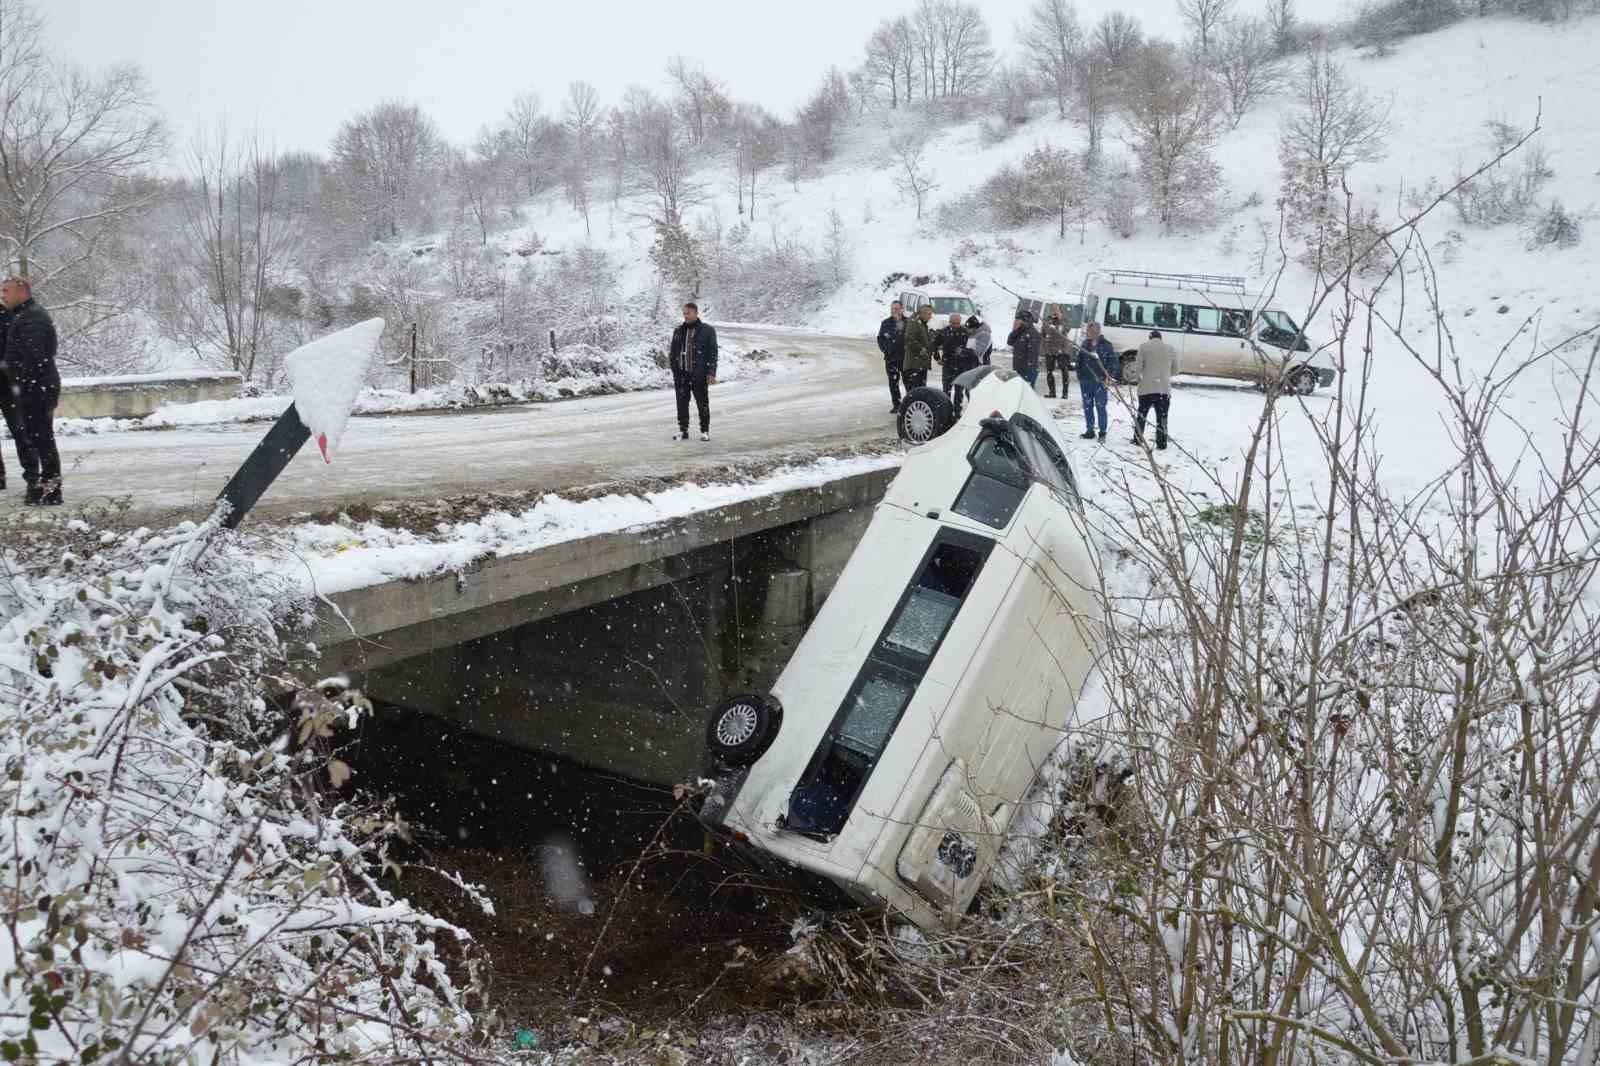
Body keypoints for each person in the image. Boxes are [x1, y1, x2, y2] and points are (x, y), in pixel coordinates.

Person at [0, 277, 60, 505]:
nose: (3, 295)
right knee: (38, 438)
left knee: (36, 438)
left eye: (6, 291)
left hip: (28, 388)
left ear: (21, 292)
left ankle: (44, 486)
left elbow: (35, 357)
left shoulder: (25, 317)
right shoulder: (23, 315)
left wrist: (21, 383)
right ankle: (45, 487)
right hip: (27, 386)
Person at [668, 302, 717, 441]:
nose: (685, 316)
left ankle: (704, 431)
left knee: (702, 403)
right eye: (684, 313)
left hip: (699, 374)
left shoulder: (708, 330)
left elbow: (713, 353)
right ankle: (683, 430)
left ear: (696, 313)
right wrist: (675, 370)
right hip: (681, 375)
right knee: (681, 403)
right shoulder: (678, 330)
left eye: (688, 313)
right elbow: (673, 353)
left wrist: (711, 373)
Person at [1130, 329, 1180, 450]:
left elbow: (1138, 367)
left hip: (1146, 388)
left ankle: (1138, 438)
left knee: (1142, 414)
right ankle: (1161, 442)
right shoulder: (1171, 349)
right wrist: (1165, 375)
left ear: (1150, 337)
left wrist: (1136, 378)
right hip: (1163, 389)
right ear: (1161, 338)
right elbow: (1176, 370)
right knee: (1162, 417)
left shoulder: (1144, 347)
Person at [1074, 320, 1119, 442]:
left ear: (1096, 332)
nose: (1087, 333)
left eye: (1088, 331)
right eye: (1087, 331)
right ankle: (1090, 430)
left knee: (1100, 407)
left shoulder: (1106, 345)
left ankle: (1102, 432)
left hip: (1100, 382)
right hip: (1085, 381)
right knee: (1087, 406)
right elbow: (1079, 360)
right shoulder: (1085, 344)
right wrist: (1080, 374)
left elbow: (1113, 364)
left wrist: (1108, 377)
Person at [876, 300, 909, 413]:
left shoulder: (908, 322)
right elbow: (880, 339)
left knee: (908, 382)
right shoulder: (886, 323)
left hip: (905, 358)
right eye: (893, 309)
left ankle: (909, 404)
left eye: (897, 308)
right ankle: (897, 404)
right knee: (893, 382)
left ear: (902, 309)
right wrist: (886, 350)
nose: (895, 311)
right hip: (891, 358)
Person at [933, 311, 969, 410]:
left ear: (960, 322)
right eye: (953, 323)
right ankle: (946, 411)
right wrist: (937, 358)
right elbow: (934, 345)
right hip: (947, 365)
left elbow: (972, 349)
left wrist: (964, 352)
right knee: (946, 391)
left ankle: (957, 411)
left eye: (957, 323)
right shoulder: (944, 332)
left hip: (961, 366)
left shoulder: (966, 332)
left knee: (959, 391)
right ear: (949, 322)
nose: (955, 325)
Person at [1007, 309, 1041, 392]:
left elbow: (1033, 354)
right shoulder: (1020, 331)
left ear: (1024, 321)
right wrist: (1014, 331)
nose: (1015, 321)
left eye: (1018, 320)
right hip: (1018, 368)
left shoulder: (1032, 333)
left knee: (1026, 394)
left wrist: (1029, 372)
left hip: (1027, 370)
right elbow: (1009, 342)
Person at [902, 304, 934, 390]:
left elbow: (925, 341)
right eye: (929, 314)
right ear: (922, 313)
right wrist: (921, 350)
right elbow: (909, 339)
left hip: (921, 364)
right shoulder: (914, 322)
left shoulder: (923, 324)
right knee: (914, 391)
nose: (931, 317)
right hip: (914, 365)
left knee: (921, 391)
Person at [1041, 310, 1071, 399]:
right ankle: (1052, 392)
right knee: (1049, 371)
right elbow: (1044, 332)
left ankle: (1065, 393)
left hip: (1062, 349)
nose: (1055, 312)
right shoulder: (1047, 320)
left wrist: (1060, 320)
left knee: (1064, 370)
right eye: (1053, 308)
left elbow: (1067, 329)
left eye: (1057, 309)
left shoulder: (1065, 320)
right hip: (1050, 349)